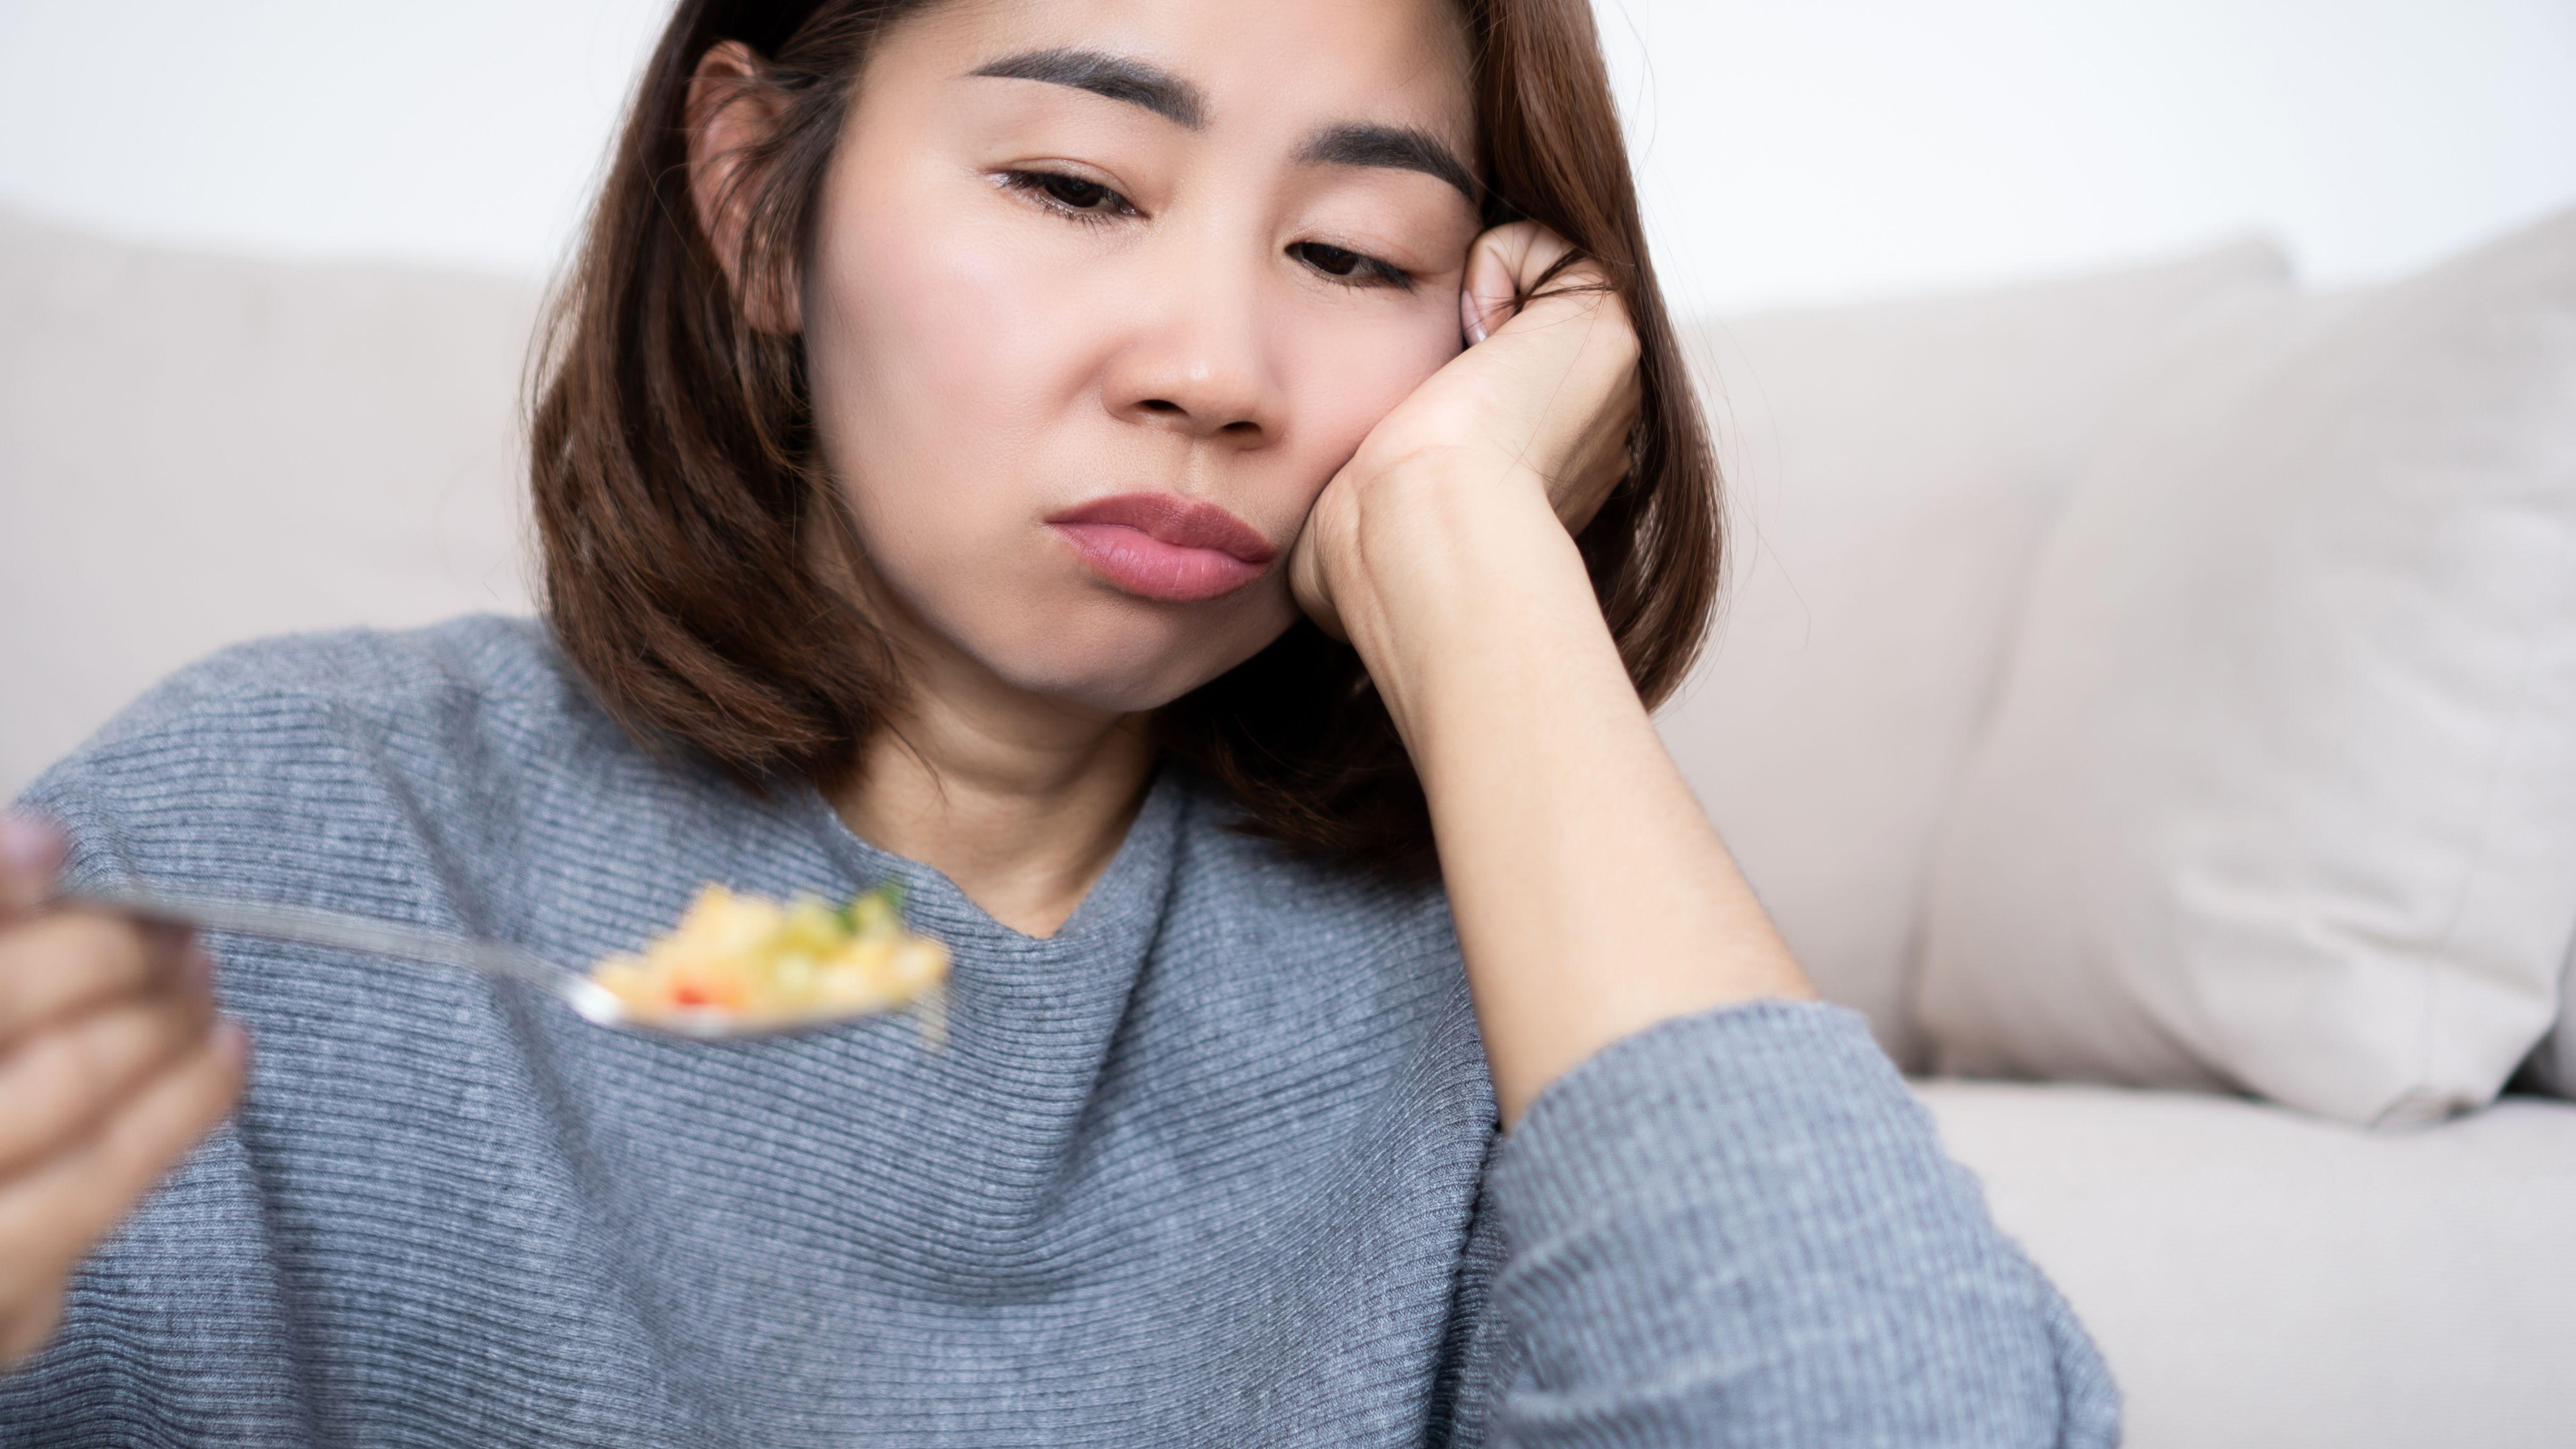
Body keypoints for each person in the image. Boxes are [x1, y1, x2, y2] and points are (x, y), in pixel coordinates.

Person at [0, 0, 2121, 1443]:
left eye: (1351, 249)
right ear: (757, 206)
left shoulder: (1522, 978)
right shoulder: (267, 845)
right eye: (1080, 188)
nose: (1213, 362)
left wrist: (1482, 572)